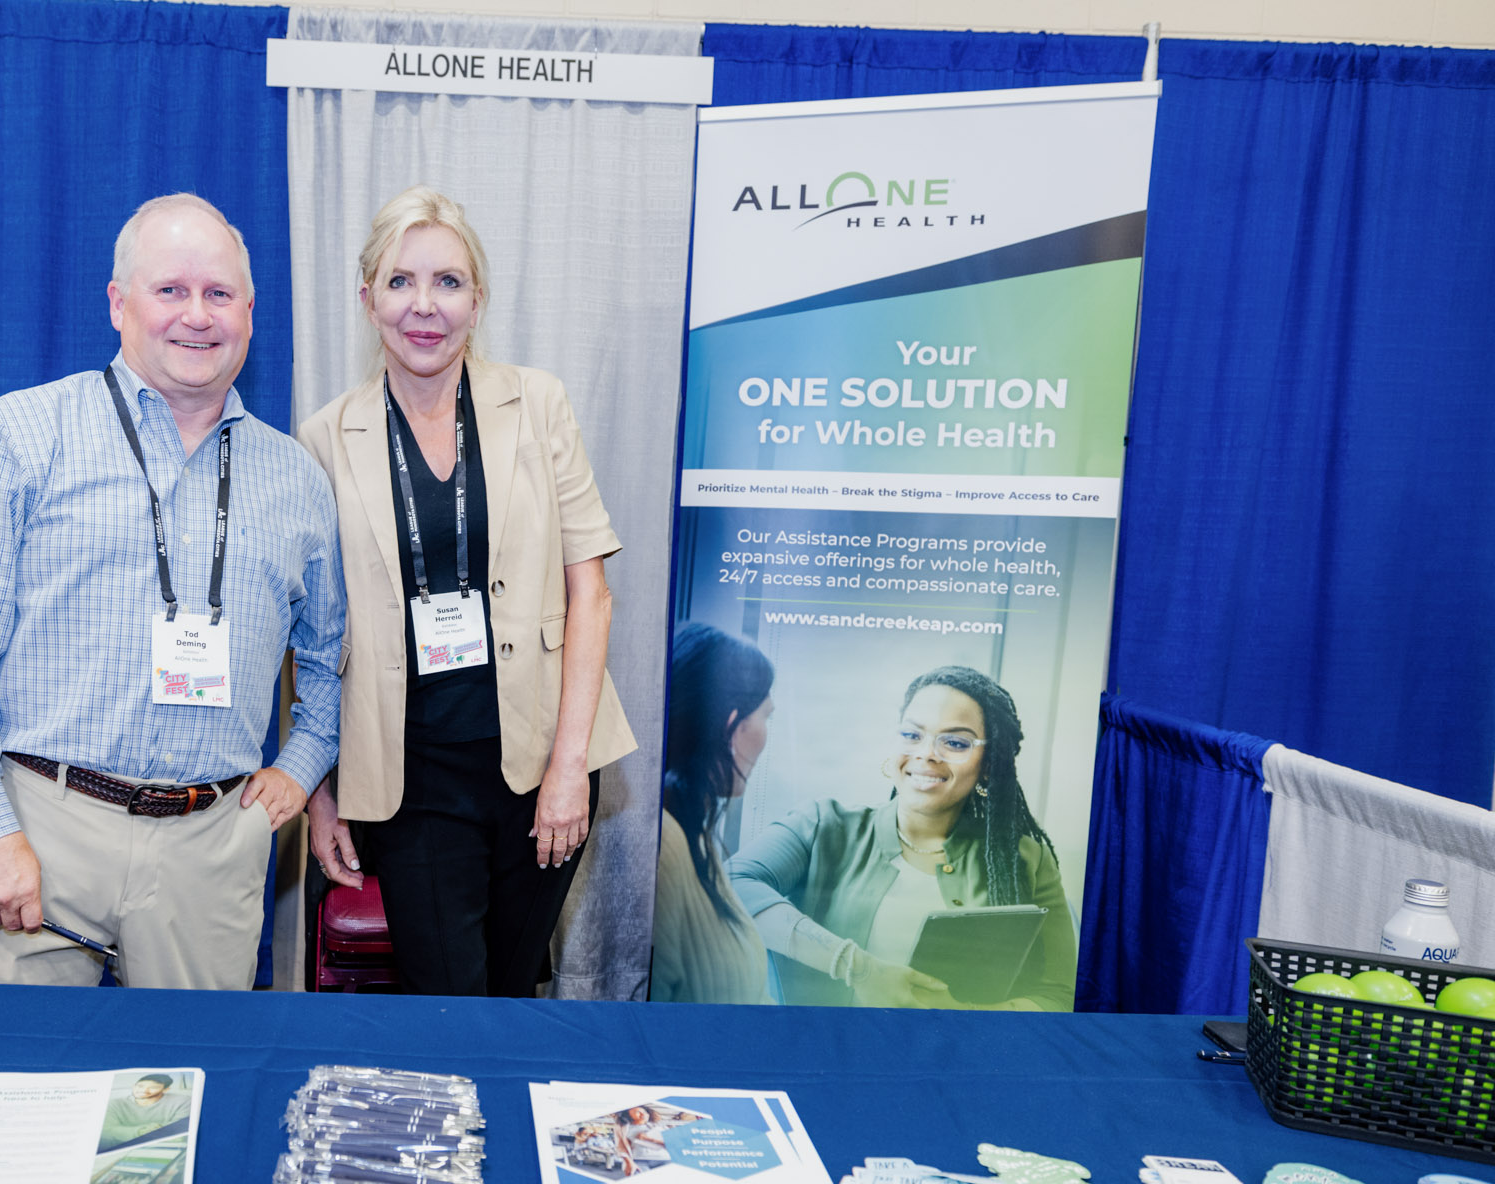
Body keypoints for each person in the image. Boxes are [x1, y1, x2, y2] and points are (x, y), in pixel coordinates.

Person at [0, 194, 344, 990]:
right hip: (37, 831)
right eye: (171, 290)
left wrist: (302, 762)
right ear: (119, 304)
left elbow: (329, 658)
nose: (197, 315)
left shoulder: (297, 479)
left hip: (211, 850)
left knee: (194, 1069)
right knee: (19, 1069)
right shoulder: (20, 436)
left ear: (250, 312)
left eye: (219, 293)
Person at [297, 186, 636, 997]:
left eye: (447, 281)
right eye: (400, 281)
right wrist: (320, 793)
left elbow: (590, 594)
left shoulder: (538, 404)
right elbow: (310, 636)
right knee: (447, 998)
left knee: (512, 992)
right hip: (409, 777)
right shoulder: (324, 438)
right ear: (368, 298)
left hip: (543, 758)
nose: (425, 305)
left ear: (477, 301)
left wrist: (569, 768)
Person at [729, 665, 1074, 1010]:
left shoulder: (1025, 858)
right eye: (912, 735)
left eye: (955, 742)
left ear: (988, 764)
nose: (926, 753)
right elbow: (731, 883)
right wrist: (859, 968)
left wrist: (966, 1015)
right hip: (829, 1043)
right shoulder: (823, 825)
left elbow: (1059, 994)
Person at [649, 623, 778, 1005]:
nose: (766, 735)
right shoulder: (665, 842)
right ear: (731, 724)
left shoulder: (696, 834)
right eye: (766, 717)